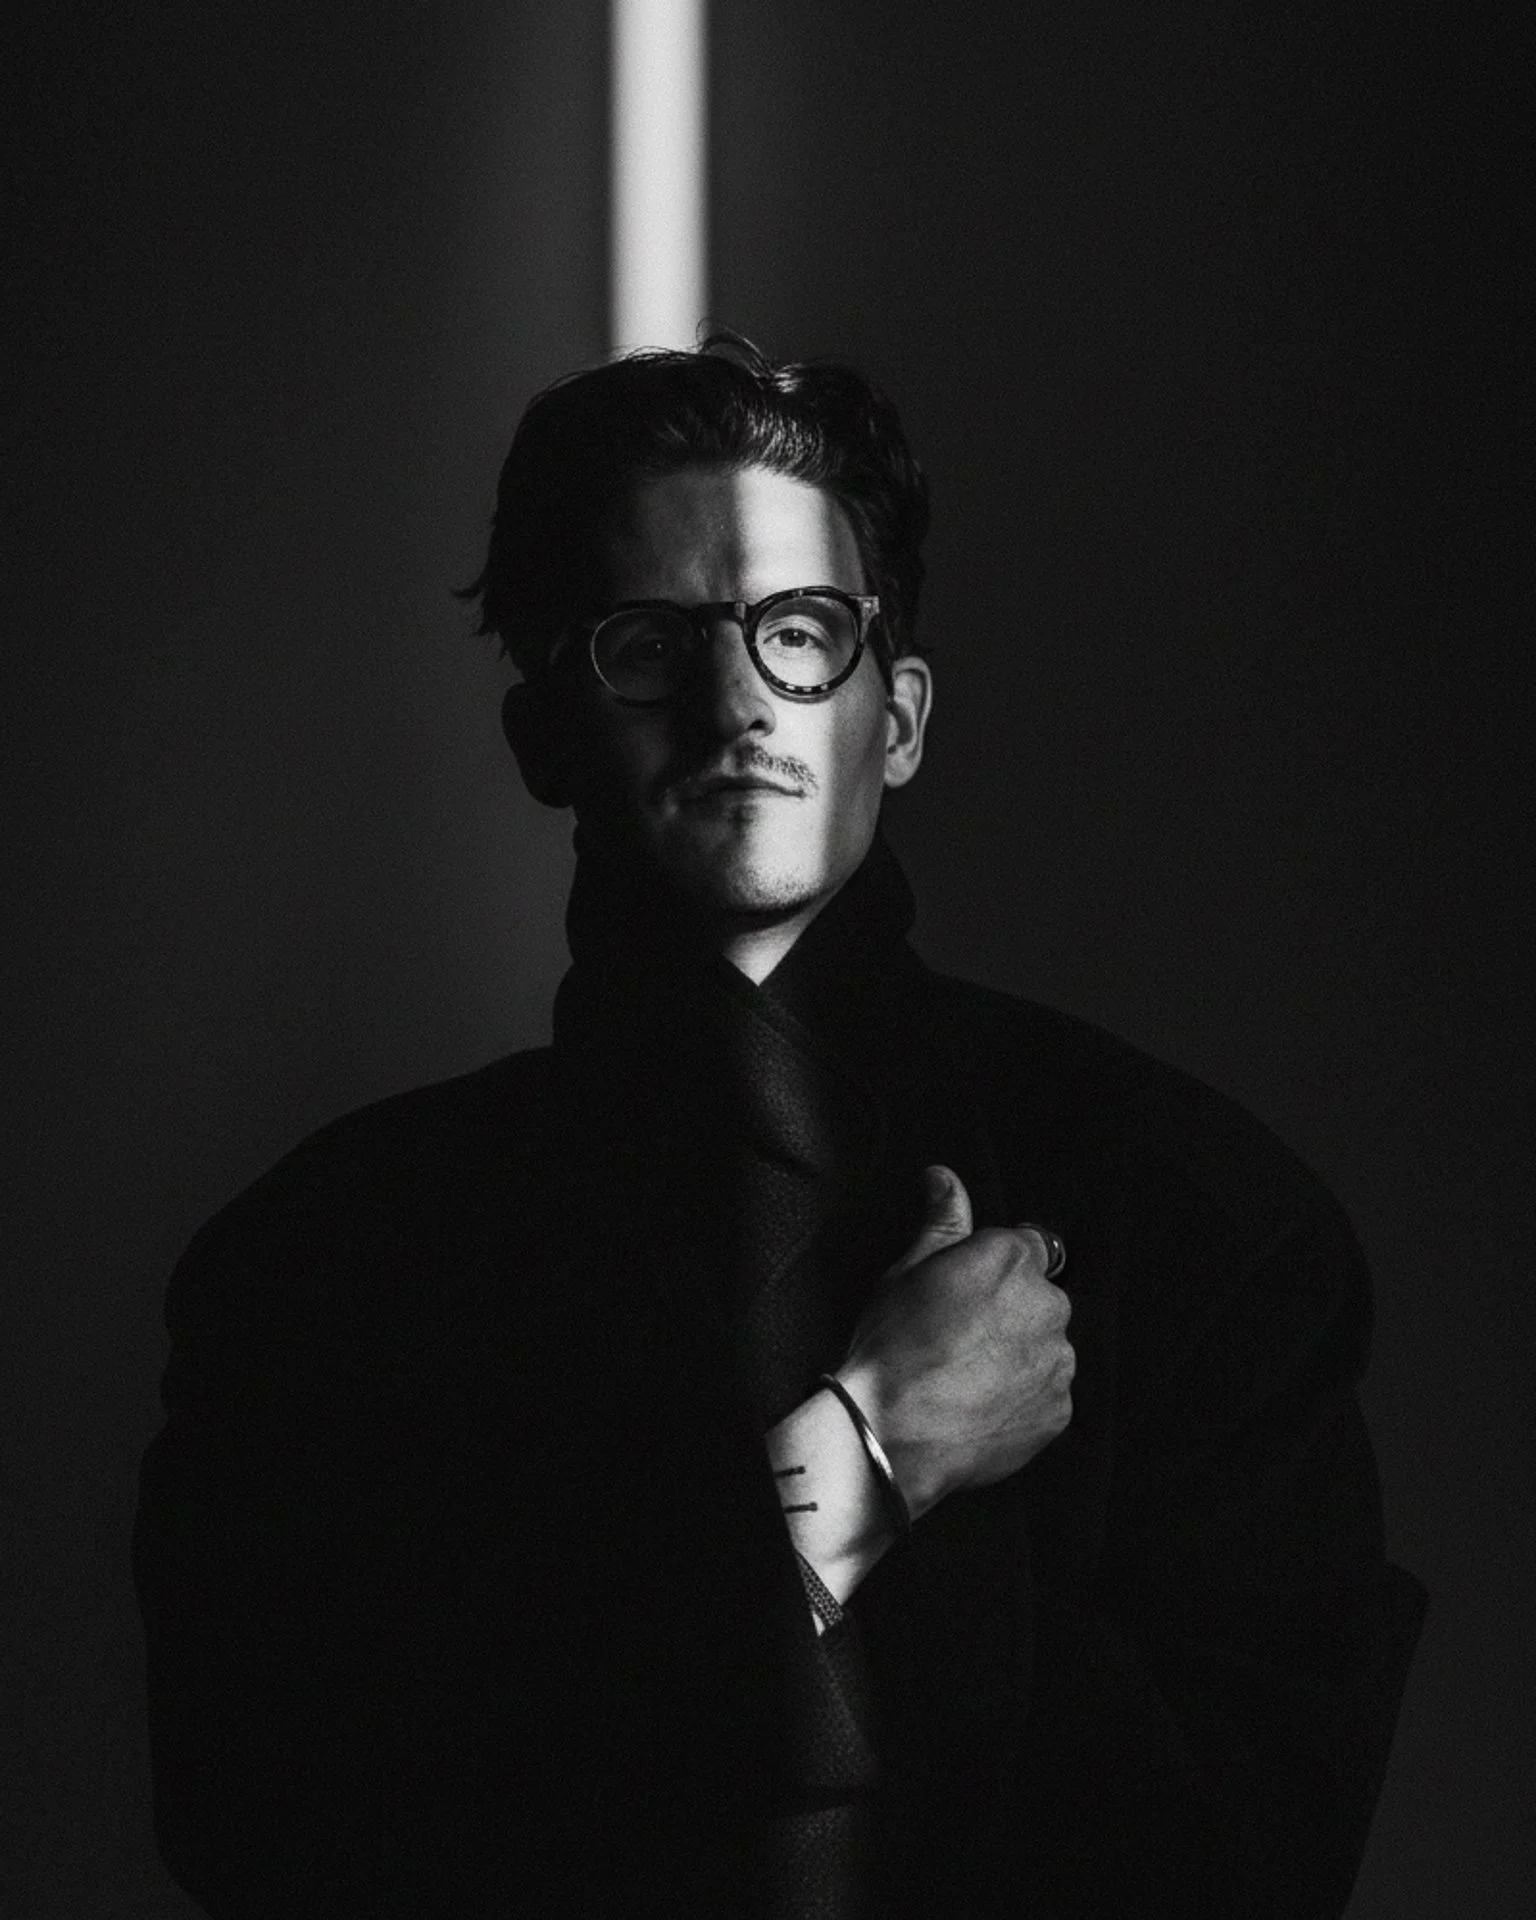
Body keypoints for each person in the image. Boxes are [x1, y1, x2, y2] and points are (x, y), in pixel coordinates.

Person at [134, 334, 1424, 1918]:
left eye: (802, 633)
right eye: (650, 644)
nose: (739, 699)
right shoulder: (325, 1262)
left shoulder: (1197, 1214)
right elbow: (281, 1829)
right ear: (542, 736)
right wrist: (867, 1455)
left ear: (903, 717)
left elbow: (1243, 1864)